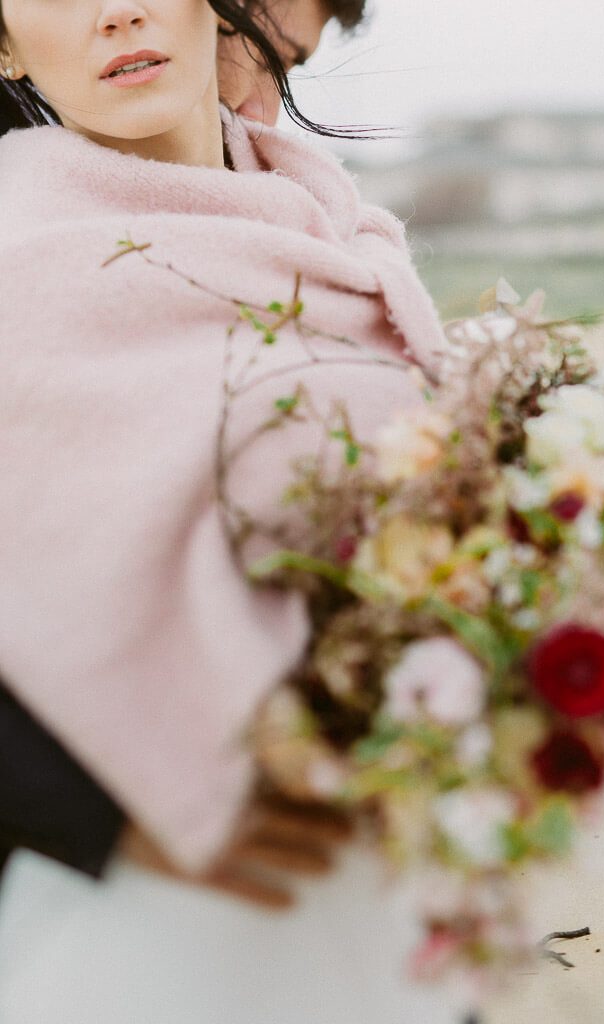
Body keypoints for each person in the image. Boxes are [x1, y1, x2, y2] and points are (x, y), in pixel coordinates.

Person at [0, 1, 465, 1021]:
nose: (115, 10)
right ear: (1, 42)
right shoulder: (12, 268)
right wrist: (106, 815)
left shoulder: (342, 232)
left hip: (384, 884)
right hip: (157, 916)